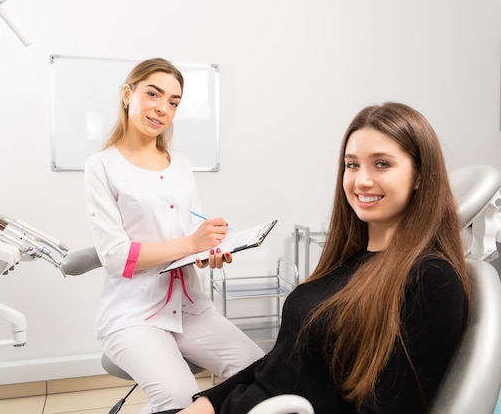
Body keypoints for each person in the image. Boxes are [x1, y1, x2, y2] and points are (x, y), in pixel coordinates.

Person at [176, 102, 471, 414]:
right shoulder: (347, 261)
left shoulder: (431, 280)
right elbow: (281, 360)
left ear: (420, 176)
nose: (362, 181)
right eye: (352, 165)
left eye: (382, 164)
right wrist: (208, 403)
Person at [84, 58, 264, 414]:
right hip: (133, 313)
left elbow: (192, 229)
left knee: (258, 372)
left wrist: (210, 248)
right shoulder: (102, 166)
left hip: (188, 307)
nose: (163, 108)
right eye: (153, 94)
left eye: (173, 102)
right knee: (180, 397)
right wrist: (190, 244)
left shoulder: (180, 163)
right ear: (127, 94)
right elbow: (116, 256)